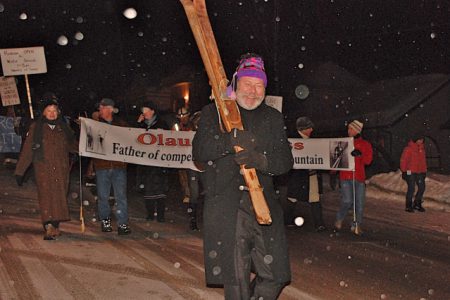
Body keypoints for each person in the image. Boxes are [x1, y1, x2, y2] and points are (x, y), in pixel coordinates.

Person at [192, 53, 293, 299]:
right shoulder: (215, 113)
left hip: (263, 207)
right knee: (236, 280)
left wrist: (261, 160)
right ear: (235, 85)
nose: (253, 91)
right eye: (247, 84)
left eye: (259, 85)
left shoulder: (272, 117)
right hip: (228, 206)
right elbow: (200, 152)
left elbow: (285, 161)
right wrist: (230, 141)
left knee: (277, 274)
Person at [14, 93, 78, 240]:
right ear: (44, 112)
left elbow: (72, 145)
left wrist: (80, 147)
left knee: (60, 196)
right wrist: (20, 171)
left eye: (54, 111)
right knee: (46, 196)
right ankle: (48, 226)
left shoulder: (64, 128)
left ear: (58, 112)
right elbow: (28, 150)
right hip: (43, 167)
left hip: (61, 168)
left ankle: (55, 225)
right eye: (49, 111)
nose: (52, 114)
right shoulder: (37, 127)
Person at [92, 98, 131, 235]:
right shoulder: (95, 125)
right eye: (100, 108)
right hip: (102, 166)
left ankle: (123, 223)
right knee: (103, 196)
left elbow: (130, 140)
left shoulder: (121, 125)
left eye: (102, 108)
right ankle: (105, 220)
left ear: (109, 109)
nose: (100, 111)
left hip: (119, 165)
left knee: (121, 196)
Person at [286, 117, 326, 231]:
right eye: (309, 128)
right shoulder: (292, 140)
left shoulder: (313, 140)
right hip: (297, 176)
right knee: (292, 198)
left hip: (312, 175)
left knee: (315, 198)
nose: (311, 130)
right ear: (302, 129)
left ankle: (319, 223)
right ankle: (287, 220)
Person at [334, 120, 373, 236]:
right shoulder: (343, 143)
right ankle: (339, 218)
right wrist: (333, 169)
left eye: (351, 129)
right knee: (347, 200)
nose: (348, 131)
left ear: (357, 130)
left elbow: (368, 160)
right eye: (348, 129)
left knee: (359, 203)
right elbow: (336, 159)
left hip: (359, 177)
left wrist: (360, 154)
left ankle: (356, 225)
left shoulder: (365, 144)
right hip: (345, 176)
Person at [135, 101, 170, 222]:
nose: (144, 114)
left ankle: (160, 216)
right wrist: (138, 124)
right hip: (146, 162)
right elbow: (132, 137)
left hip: (159, 162)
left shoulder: (161, 124)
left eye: (146, 111)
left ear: (152, 111)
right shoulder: (141, 126)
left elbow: (168, 138)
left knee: (159, 189)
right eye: (143, 112)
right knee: (148, 189)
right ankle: (150, 214)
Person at [400, 135, 427, 212]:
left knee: (422, 187)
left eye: (422, 140)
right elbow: (403, 160)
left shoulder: (422, 149)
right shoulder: (408, 149)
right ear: (416, 139)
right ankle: (408, 205)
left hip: (419, 172)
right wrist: (404, 171)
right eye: (419, 139)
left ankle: (417, 203)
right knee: (411, 188)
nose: (421, 141)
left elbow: (423, 162)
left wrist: (424, 171)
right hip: (410, 171)